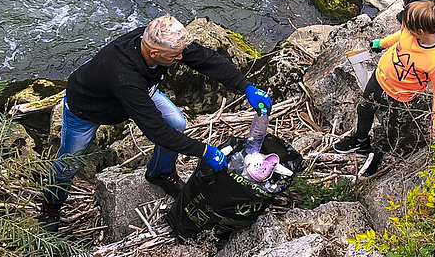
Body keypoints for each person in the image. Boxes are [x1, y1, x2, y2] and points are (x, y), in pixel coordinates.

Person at [39, 14, 272, 231]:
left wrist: (247, 87)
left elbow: (206, 60)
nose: (181, 58)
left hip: (140, 92)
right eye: (175, 56)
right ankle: (51, 207)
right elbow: (155, 130)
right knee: (68, 163)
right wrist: (204, 151)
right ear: (153, 54)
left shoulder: (160, 41)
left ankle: (160, 172)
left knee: (176, 123)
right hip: (87, 107)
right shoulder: (124, 75)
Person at [333, 0, 435, 155]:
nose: (404, 28)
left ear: (421, 32)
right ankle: (360, 141)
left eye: (408, 26)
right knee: (364, 109)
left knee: (389, 129)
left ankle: (378, 155)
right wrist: (380, 44)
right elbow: (399, 36)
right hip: (379, 79)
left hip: (399, 98)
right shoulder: (409, 30)